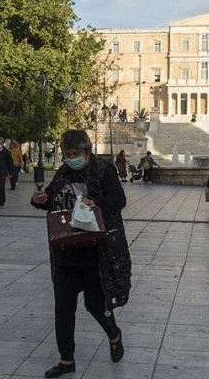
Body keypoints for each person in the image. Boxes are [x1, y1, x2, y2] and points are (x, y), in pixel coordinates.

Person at [31, 130, 131, 378]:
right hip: (66, 250)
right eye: (68, 154)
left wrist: (94, 205)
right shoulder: (64, 171)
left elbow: (119, 200)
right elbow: (52, 201)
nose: (72, 158)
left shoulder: (104, 170)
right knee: (63, 308)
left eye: (76, 154)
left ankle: (113, 333)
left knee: (95, 305)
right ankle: (66, 360)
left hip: (96, 250)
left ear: (87, 151)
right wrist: (39, 200)